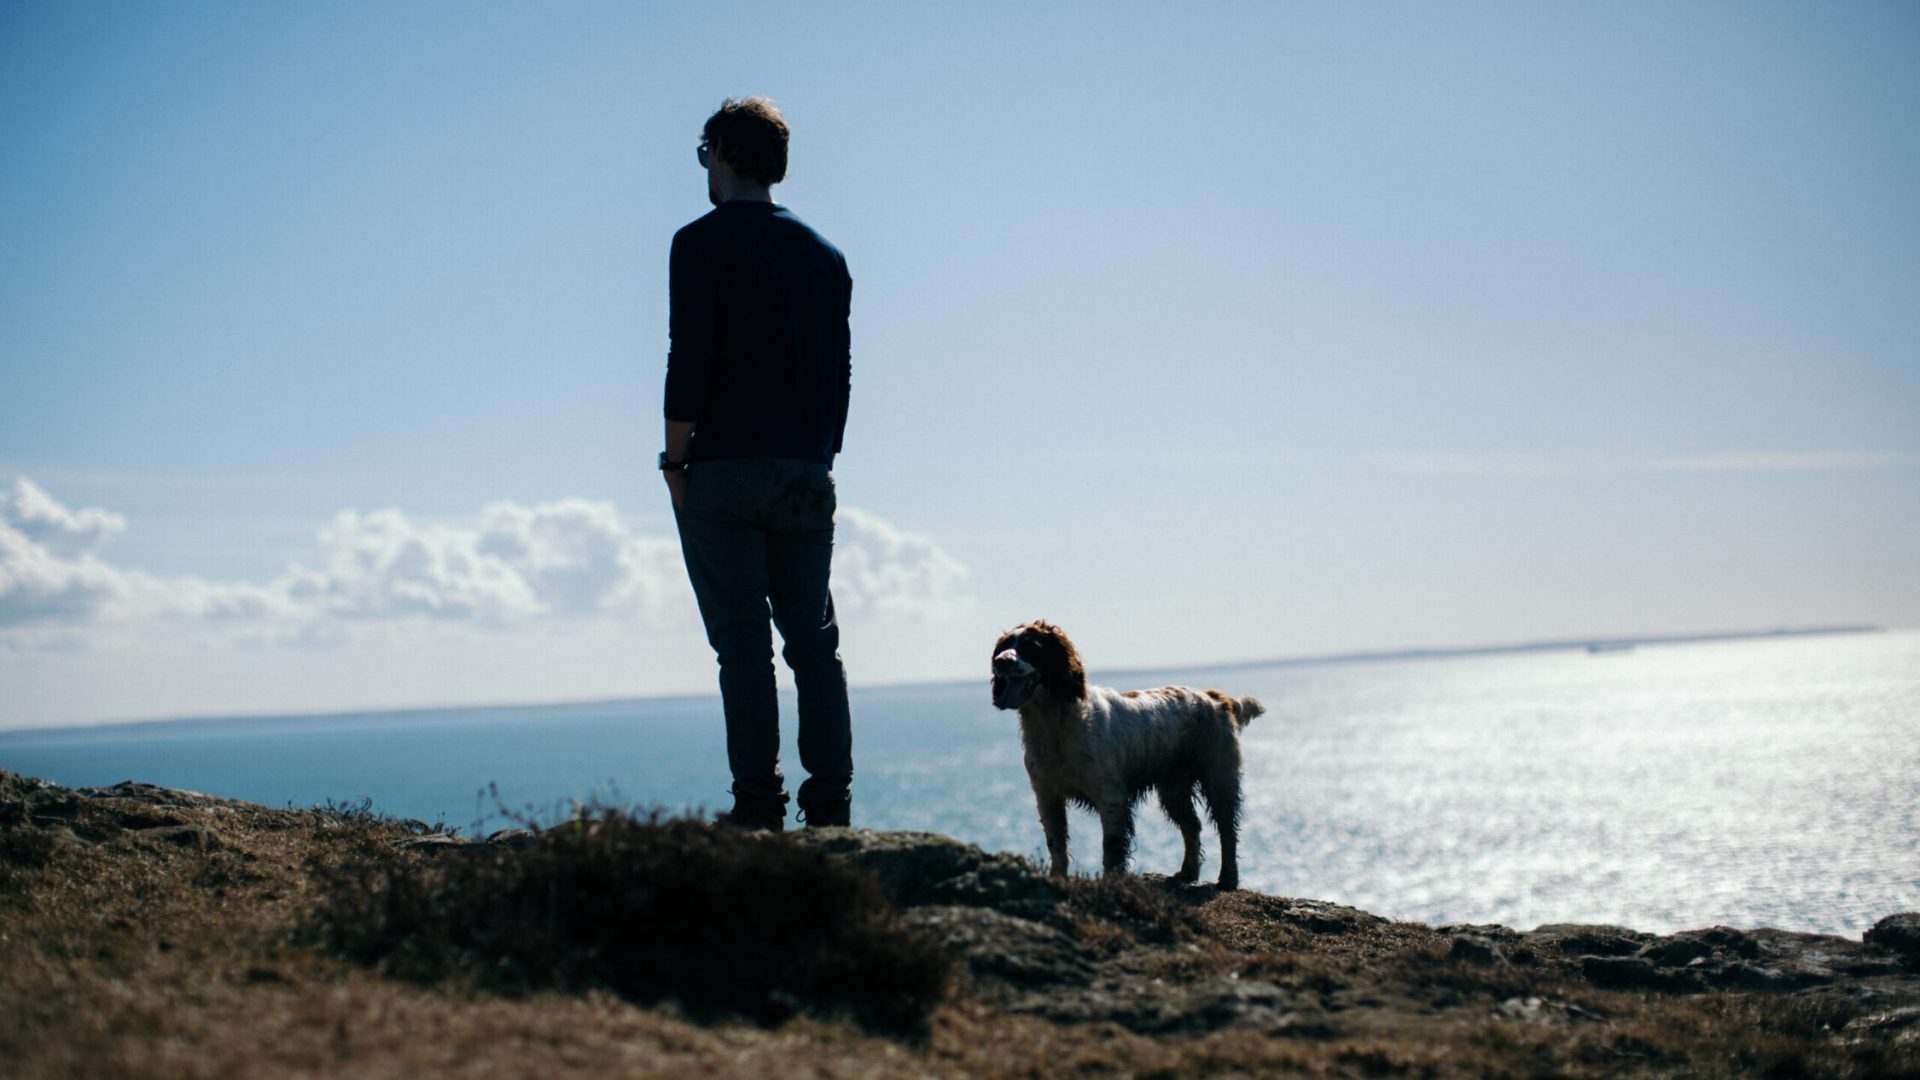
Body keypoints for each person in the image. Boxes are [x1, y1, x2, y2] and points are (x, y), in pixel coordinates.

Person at [661, 97, 854, 831]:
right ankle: (830, 803)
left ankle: (758, 806)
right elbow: (840, 376)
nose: (704, 164)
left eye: (706, 150)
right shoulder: (825, 256)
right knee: (814, 644)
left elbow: (690, 360)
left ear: (724, 153)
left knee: (742, 646)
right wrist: (817, 455)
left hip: (725, 471)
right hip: (806, 470)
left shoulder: (697, 243)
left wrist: (675, 461)